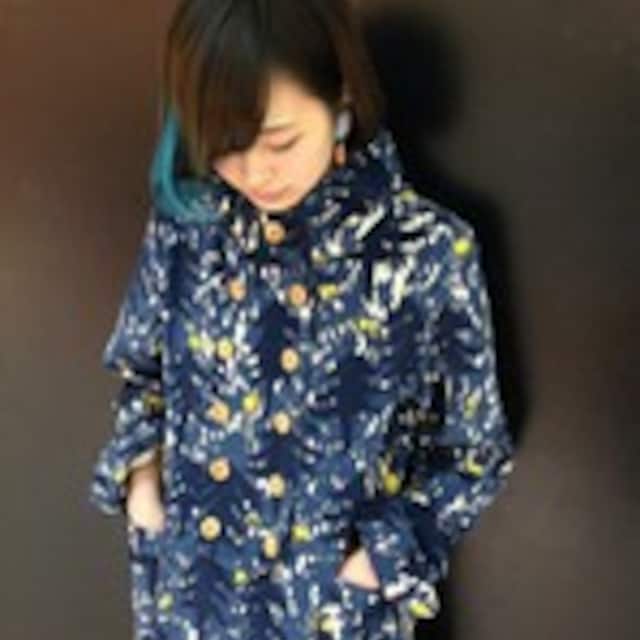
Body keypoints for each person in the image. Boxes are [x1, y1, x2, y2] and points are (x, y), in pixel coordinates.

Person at [88, 1, 517, 639]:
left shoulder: (425, 254)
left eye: (280, 140)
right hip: (190, 608)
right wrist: (144, 490)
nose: (255, 171)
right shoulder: (190, 229)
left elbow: (475, 453)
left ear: (340, 94)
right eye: (224, 144)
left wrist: (376, 564)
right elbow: (142, 374)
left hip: (327, 618)